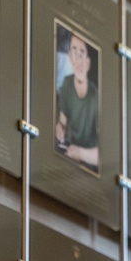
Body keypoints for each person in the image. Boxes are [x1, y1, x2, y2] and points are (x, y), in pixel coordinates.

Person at [55, 31, 99, 173]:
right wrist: (60, 129)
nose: (78, 59)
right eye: (74, 52)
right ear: (69, 56)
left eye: (82, 53)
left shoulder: (96, 98)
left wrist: (80, 153)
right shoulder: (67, 84)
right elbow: (63, 122)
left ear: (88, 61)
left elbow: (105, 155)